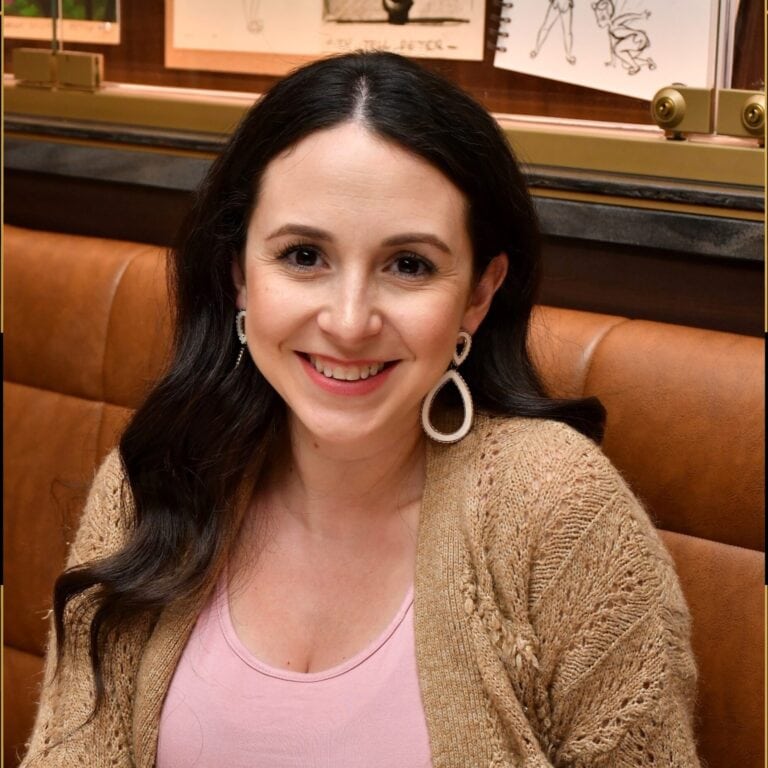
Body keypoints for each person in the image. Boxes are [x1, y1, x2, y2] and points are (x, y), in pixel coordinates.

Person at [21, 51, 700, 767]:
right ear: (238, 272)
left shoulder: (558, 513)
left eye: (408, 265)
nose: (349, 323)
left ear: (478, 293)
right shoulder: (156, 477)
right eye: (303, 255)